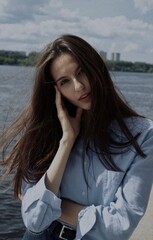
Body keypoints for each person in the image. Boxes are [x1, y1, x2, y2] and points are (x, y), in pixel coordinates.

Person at [0, 34, 153, 240]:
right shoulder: (46, 133)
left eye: (81, 72)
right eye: (65, 82)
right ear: (57, 91)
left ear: (96, 67)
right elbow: (35, 221)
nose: (79, 86)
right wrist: (67, 140)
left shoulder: (142, 135)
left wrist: (53, 205)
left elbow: (120, 226)